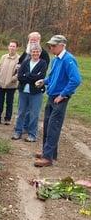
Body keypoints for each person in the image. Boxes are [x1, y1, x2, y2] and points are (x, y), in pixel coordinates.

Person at [34, 35, 82, 167]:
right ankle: (48, 153)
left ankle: (48, 158)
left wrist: (63, 95)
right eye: (50, 45)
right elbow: (53, 77)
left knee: (53, 127)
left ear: (62, 45)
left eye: (54, 46)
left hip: (59, 98)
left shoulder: (68, 60)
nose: (51, 48)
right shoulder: (56, 60)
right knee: (48, 125)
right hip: (51, 96)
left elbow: (76, 80)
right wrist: (44, 81)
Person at [12, 44, 47, 142]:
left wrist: (27, 75)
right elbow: (20, 77)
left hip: (36, 92)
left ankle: (32, 134)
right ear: (30, 53)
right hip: (23, 91)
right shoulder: (25, 62)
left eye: (37, 52)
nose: (35, 53)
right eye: (33, 51)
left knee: (34, 114)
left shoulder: (43, 63)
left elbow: (41, 76)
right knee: (21, 112)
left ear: (40, 53)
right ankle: (18, 131)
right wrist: (33, 76)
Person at [0, 40, 20, 125]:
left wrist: (12, 79)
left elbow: (19, 72)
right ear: (8, 47)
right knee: (0, 101)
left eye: (13, 46)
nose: (12, 48)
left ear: (16, 48)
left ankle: (7, 118)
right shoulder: (3, 57)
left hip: (11, 85)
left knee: (9, 102)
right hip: (1, 83)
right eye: (10, 46)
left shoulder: (19, 59)